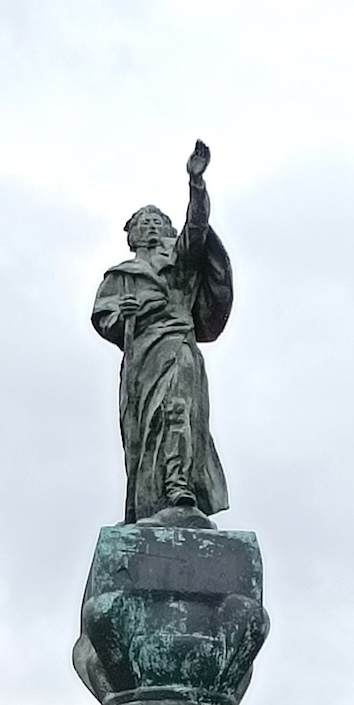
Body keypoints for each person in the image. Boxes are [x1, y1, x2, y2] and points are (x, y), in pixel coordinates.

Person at [91, 142, 232, 523]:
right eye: (143, 223)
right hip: (142, 359)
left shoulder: (180, 263)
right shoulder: (120, 276)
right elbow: (104, 318)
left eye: (157, 221)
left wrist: (196, 184)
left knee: (178, 411)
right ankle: (151, 500)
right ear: (132, 236)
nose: (151, 226)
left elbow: (197, 230)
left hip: (178, 347)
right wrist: (123, 315)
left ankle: (178, 486)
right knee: (145, 429)